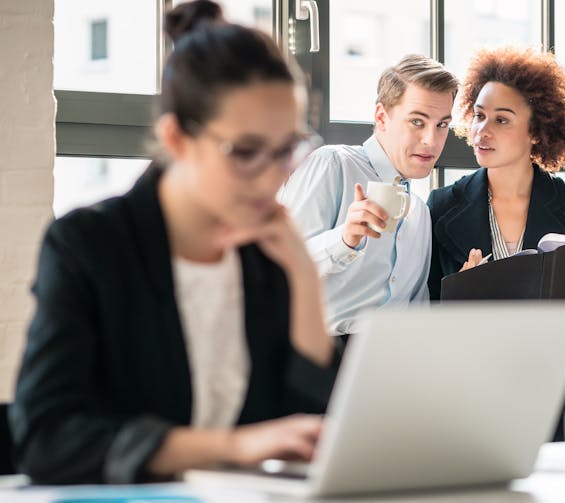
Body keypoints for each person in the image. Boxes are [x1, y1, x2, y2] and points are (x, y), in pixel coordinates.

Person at [10, 0, 340, 484]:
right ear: (178, 139)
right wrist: (233, 447)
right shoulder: (91, 244)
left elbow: (305, 429)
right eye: (246, 152)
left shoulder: (264, 253)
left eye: (287, 150)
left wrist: (305, 278)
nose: (273, 177)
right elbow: (46, 437)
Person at [427, 46, 565, 361]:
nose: (482, 131)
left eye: (502, 120)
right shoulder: (442, 205)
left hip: (556, 385)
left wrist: (560, 334)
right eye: (480, 116)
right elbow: (426, 314)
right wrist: (460, 296)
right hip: (474, 384)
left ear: (536, 132)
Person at [278, 55, 458, 341]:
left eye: (442, 125)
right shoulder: (334, 165)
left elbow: (416, 310)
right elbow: (279, 266)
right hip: (320, 356)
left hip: (393, 362)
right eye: (416, 121)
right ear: (381, 118)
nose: (431, 141)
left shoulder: (420, 212)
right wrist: (345, 239)